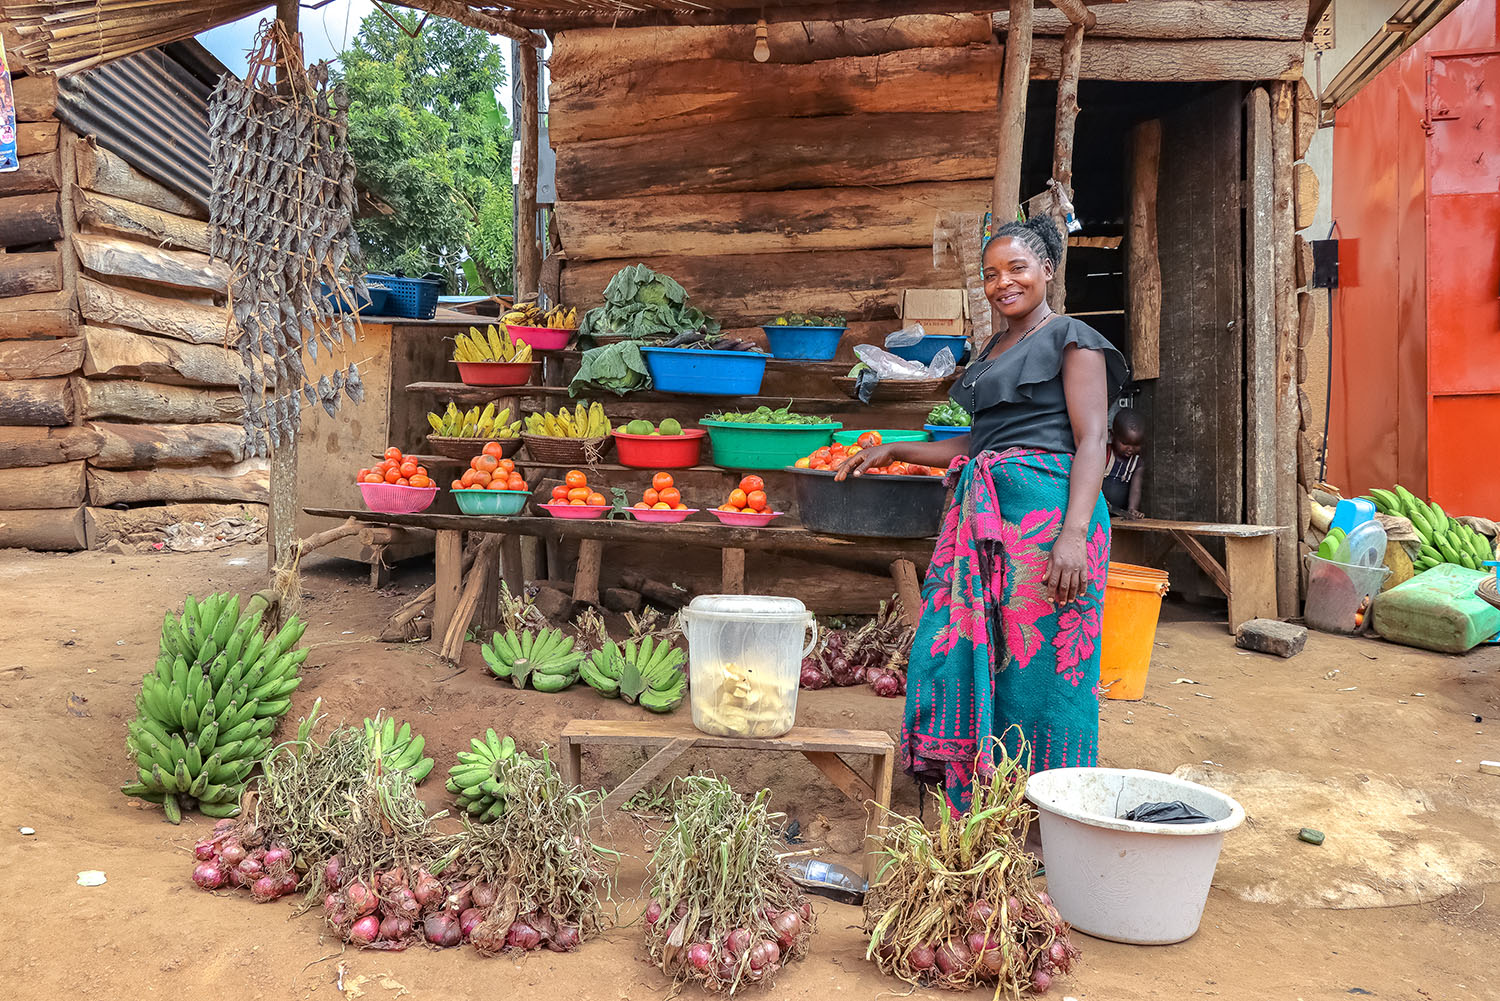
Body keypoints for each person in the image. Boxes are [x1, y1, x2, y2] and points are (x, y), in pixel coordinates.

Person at [839, 215, 1127, 812]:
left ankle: (1049, 806)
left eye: (1017, 268)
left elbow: (1093, 438)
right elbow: (977, 444)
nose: (1003, 284)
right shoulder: (994, 350)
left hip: (1050, 521)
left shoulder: (1073, 338)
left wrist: (1074, 536)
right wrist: (896, 448)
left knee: (1041, 667)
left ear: (1048, 268)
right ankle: (983, 790)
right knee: (974, 648)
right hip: (989, 518)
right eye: (991, 274)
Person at [1103, 408, 1146, 519]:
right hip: (1098, 510)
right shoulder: (1104, 454)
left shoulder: (1137, 463)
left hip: (1118, 515)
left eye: (1136, 444)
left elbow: (1136, 489)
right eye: (1125, 443)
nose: (1130, 449)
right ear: (1112, 436)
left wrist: (1132, 509)